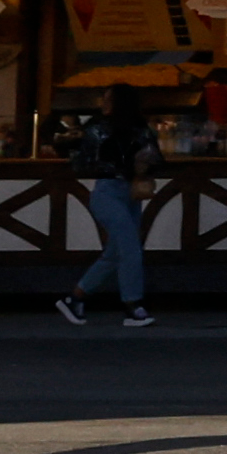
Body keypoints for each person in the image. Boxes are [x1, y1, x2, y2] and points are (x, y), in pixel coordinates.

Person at [56, 77, 158, 328]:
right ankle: (133, 305)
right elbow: (157, 158)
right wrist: (140, 162)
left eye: (107, 98)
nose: (103, 103)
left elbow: (80, 163)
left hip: (114, 190)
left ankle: (76, 298)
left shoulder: (98, 129)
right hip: (117, 191)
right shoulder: (140, 129)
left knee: (115, 252)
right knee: (130, 247)